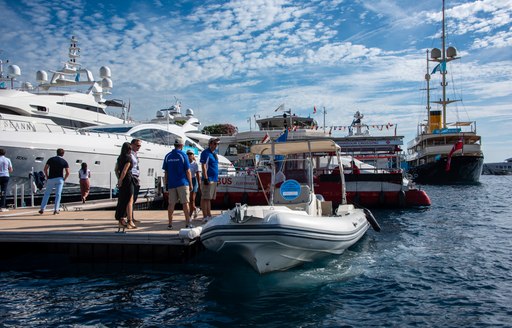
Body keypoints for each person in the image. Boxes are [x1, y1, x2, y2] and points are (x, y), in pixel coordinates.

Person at [162, 137, 193, 230]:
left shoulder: (168, 156)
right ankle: (188, 223)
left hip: (171, 184)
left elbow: (166, 172)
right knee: (185, 203)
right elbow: (188, 171)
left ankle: (170, 224)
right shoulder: (183, 155)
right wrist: (191, 183)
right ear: (182, 145)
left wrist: (166, 184)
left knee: (171, 204)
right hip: (182, 183)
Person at [39, 148, 70, 215]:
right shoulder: (64, 161)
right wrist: (64, 179)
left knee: (47, 194)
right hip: (59, 179)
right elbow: (68, 172)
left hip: (51, 179)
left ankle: (42, 209)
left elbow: (45, 169)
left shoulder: (51, 159)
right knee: (58, 194)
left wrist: (47, 177)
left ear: (56, 152)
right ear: (63, 154)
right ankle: (56, 209)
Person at [114, 142, 136, 230]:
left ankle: (121, 219)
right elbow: (125, 171)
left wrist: (119, 179)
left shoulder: (119, 158)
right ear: (128, 150)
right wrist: (121, 180)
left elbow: (116, 170)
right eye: (130, 149)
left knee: (122, 200)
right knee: (130, 200)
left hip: (122, 181)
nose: (131, 151)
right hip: (128, 180)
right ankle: (130, 221)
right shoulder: (128, 158)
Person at [200, 137, 220, 222]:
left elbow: (215, 167)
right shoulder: (205, 153)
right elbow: (203, 166)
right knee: (205, 198)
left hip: (214, 179)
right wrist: (206, 178)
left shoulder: (214, 153)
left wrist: (217, 179)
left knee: (209, 198)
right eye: (215, 143)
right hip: (208, 179)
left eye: (217, 144)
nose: (216, 145)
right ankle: (205, 216)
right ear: (210, 144)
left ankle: (209, 215)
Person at [187, 149, 201, 219]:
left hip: (194, 180)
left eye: (190, 154)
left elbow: (198, 174)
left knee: (192, 199)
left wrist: (199, 184)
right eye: (188, 154)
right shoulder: (185, 163)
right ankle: (195, 209)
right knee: (188, 199)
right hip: (186, 181)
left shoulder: (195, 164)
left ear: (193, 155)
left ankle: (190, 214)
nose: (189, 155)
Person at [130, 139, 142, 223]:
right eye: (137, 145)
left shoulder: (135, 154)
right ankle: (129, 218)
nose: (139, 147)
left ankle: (131, 217)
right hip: (131, 177)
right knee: (130, 199)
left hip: (136, 177)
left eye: (140, 146)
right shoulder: (129, 154)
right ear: (132, 145)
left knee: (134, 198)